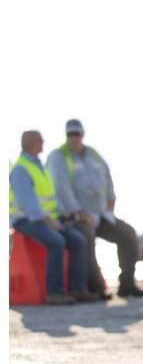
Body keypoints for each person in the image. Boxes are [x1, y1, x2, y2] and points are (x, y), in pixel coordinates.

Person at [47, 119, 143, 299]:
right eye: (70, 134)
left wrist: (111, 200)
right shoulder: (58, 156)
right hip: (74, 216)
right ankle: (95, 288)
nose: (74, 138)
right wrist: (79, 213)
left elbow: (107, 177)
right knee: (86, 237)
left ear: (82, 135)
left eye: (77, 134)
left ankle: (127, 284)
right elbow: (61, 189)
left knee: (127, 234)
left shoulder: (93, 154)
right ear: (66, 136)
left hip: (101, 214)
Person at [9, 130, 94, 304]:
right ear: (31, 143)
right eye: (40, 140)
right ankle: (54, 292)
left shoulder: (40, 166)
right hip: (26, 220)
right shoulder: (20, 169)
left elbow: (51, 198)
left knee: (78, 240)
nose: (43, 142)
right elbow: (28, 205)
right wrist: (49, 222)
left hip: (46, 219)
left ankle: (77, 289)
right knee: (56, 241)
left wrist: (63, 214)